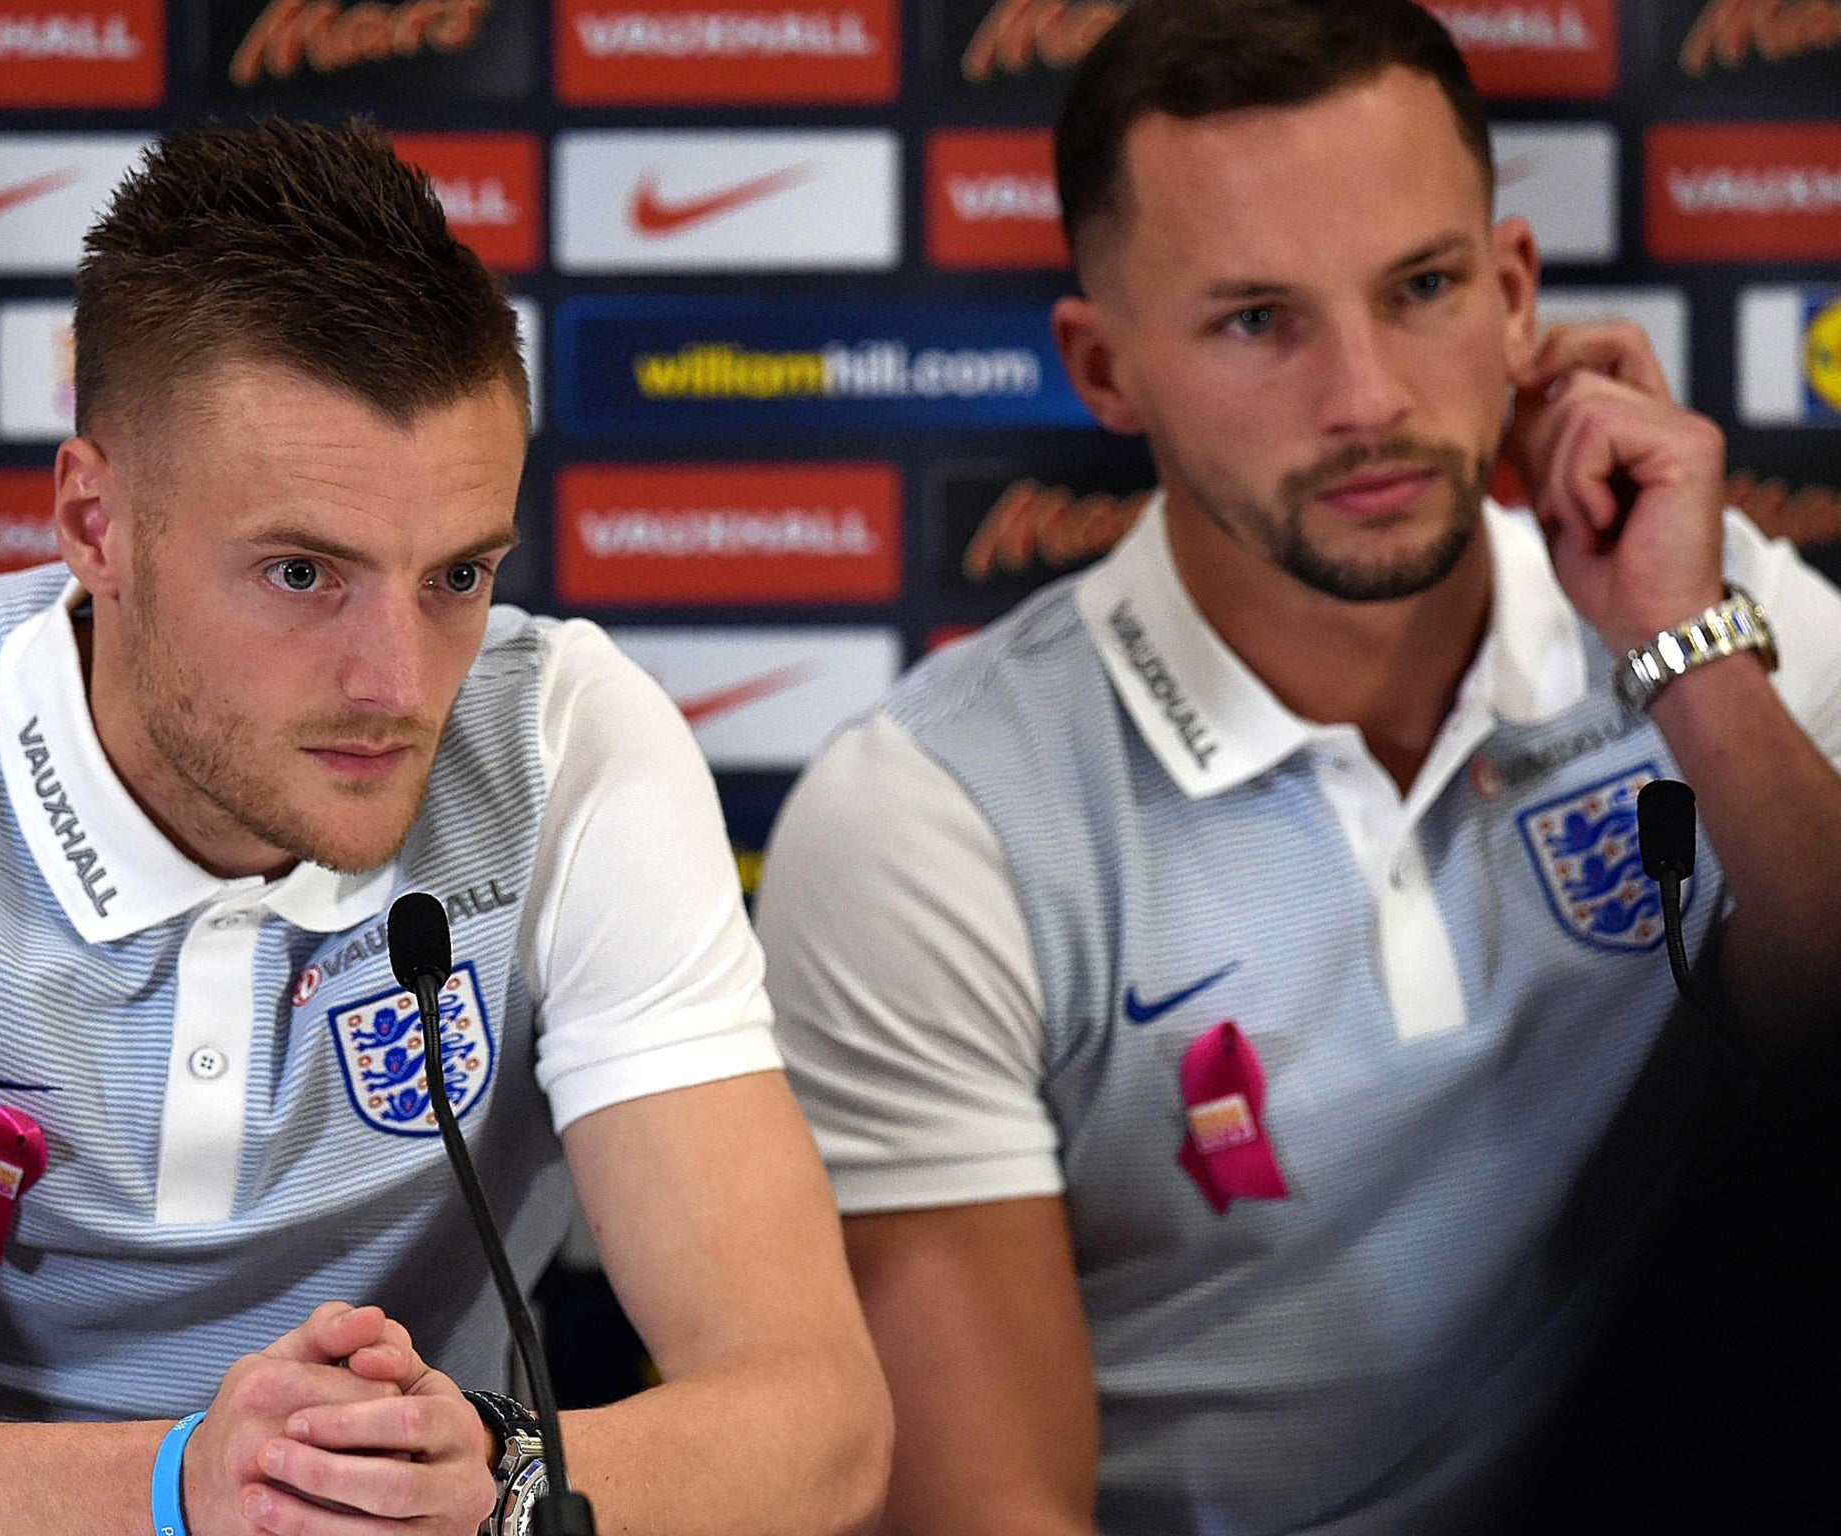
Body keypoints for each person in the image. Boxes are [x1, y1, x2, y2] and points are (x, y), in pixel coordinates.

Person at [755, 2, 1841, 1532]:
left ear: (1516, 292)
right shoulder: (932, 820)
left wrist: (1685, 657)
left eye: (1423, 287)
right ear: (1105, 365)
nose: (1370, 398)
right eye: (1258, 319)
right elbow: (995, 1508)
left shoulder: (1724, 614)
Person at [0, 119, 890, 1536]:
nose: (399, 684)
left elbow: (822, 1422)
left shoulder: (566, 737)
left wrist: (495, 1479)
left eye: (457, 575)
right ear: (93, 522)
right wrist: (184, 1488)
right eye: (303, 571)